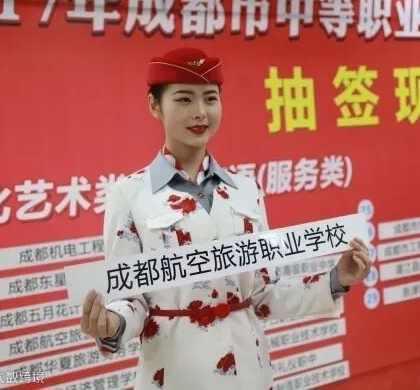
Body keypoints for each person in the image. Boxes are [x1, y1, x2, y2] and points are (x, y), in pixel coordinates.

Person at [80, 47, 371, 389]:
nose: (200, 112)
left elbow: (263, 293)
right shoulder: (129, 194)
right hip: (175, 373)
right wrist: (112, 324)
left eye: (210, 98)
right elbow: (129, 298)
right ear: (154, 105)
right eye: (184, 99)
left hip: (250, 370)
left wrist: (336, 279)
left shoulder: (246, 191)